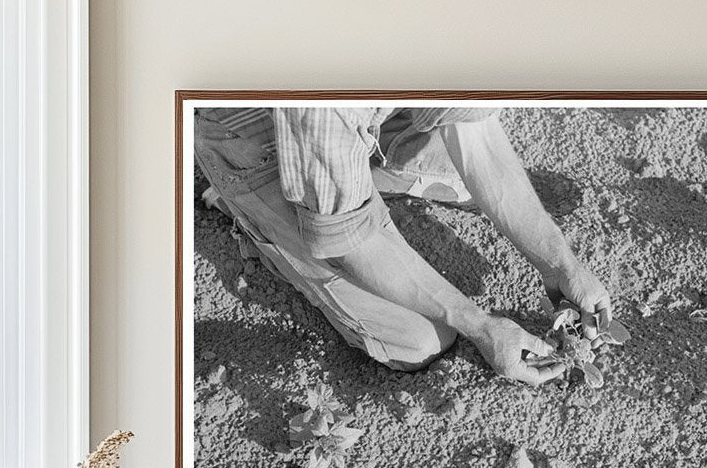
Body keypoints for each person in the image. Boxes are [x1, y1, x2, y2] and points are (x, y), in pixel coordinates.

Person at [194, 105, 612, 387]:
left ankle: (353, 178)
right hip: (253, 133)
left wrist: (561, 263)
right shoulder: (322, 94)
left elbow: (475, 137)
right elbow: (350, 242)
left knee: (458, 170)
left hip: (362, 118)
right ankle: (247, 200)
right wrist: (481, 326)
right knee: (421, 340)